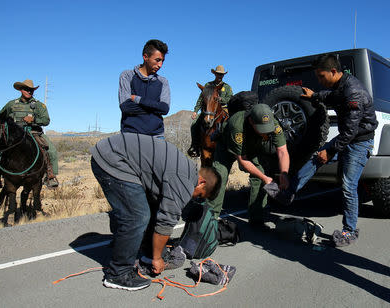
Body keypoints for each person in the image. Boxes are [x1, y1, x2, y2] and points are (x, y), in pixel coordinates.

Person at [91, 132, 221, 291]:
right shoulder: (185, 182)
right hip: (112, 159)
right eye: (199, 195)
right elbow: (165, 222)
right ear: (201, 183)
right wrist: (158, 258)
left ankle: (146, 252)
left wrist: (153, 252)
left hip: (112, 152)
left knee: (149, 206)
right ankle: (118, 274)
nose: (194, 198)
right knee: (137, 216)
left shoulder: (186, 169)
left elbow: (159, 206)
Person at [275, 54, 378, 247]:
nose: (319, 81)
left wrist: (329, 152)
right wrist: (314, 96)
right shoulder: (341, 85)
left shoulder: (353, 92)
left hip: (359, 142)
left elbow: (350, 131)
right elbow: (331, 96)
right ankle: (288, 192)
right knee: (315, 159)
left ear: (333, 71)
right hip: (347, 138)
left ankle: (350, 231)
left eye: (321, 76)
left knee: (348, 185)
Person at [206, 103, 290, 227]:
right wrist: (265, 178)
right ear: (251, 121)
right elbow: (243, 161)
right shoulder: (237, 125)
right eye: (261, 129)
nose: (265, 133)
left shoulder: (275, 124)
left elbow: (282, 151)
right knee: (220, 176)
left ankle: (256, 220)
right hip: (227, 145)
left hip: (252, 146)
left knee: (260, 175)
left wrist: (284, 173)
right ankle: (209, 222)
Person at [0, 79, 59, 191]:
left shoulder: (38, 105)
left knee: (51, 151)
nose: (29, 91)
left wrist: (33, 120)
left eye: (31, 90)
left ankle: (50, 176)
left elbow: (46, 120)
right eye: (27, 89)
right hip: (14, 135)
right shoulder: (11, 104)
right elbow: (0, 118)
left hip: (33, 132)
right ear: (21, 90)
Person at [118, 39, 170, 138]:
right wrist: (155, 108)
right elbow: (125, 106)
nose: (160, 65)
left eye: (162, 61)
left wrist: (138, 99)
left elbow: (164, 109)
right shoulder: (127, 76)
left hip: (157, 136)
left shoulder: (163, 82)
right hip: (130, 135)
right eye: (157, 60)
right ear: (145, 57)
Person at [187, 65, 233, 157]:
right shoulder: (208, 85)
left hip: (223, 108)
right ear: (215, 74)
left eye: (221, 74)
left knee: (232, 123)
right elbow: (201, 98)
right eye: (218, 74)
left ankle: (232, 148)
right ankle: (195, 146)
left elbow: (230, 98)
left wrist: (221, 99)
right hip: (209, 109)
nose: (220, 76)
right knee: (194, 124)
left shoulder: (227, 87)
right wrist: (196, 110)